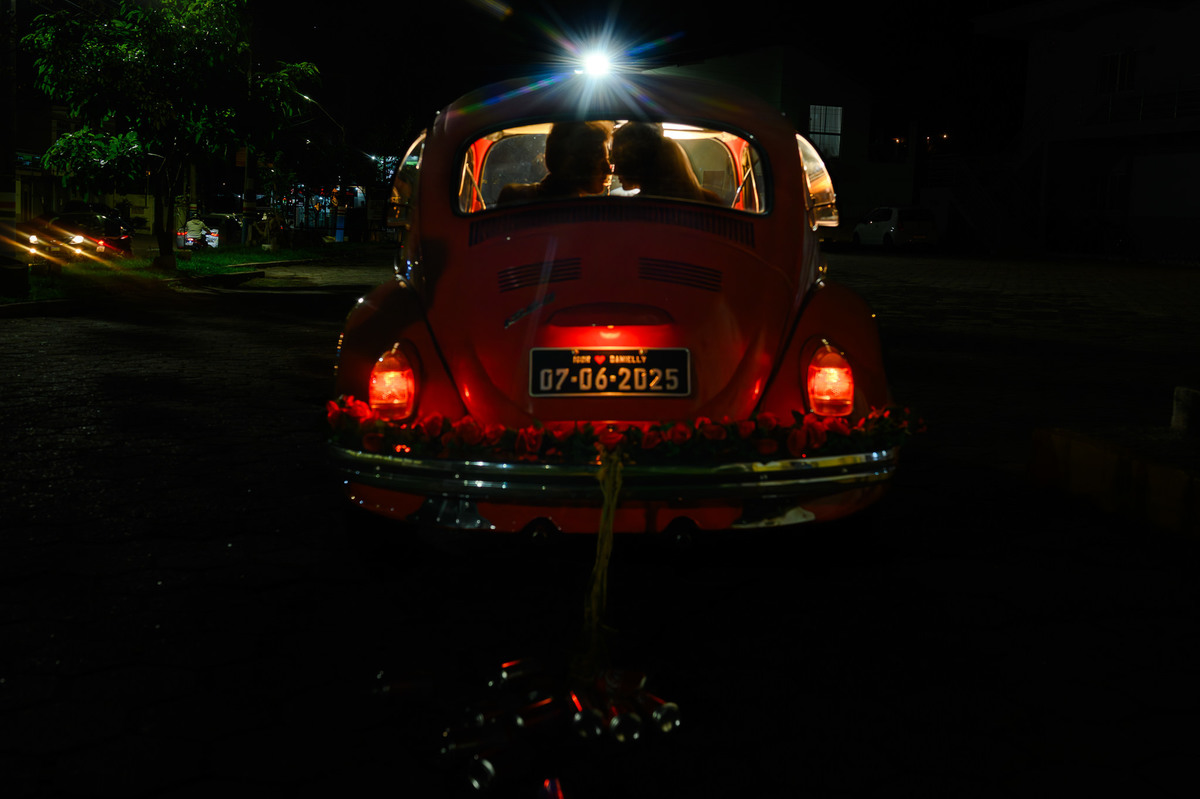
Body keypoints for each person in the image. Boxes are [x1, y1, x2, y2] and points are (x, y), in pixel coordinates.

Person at [497, 120, 614, 205]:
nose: (608, 170)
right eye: (601, 162)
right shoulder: (587, 215)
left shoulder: (512, 195)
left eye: (607, 161)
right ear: (576, 164)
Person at [611, 122, 721, 205]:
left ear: (640, 162)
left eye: (621, 160)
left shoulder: (634, 209)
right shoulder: (710, 200)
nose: (614, 172)